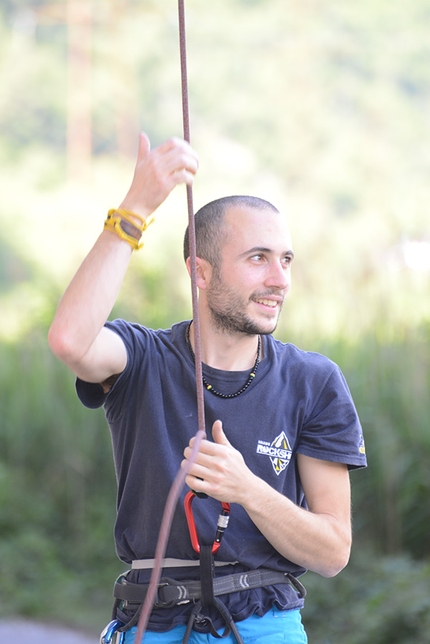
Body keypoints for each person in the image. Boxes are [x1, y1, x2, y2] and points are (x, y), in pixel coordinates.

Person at [48, 132, 367, 644]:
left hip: (265, 623)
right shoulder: (143, 358)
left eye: (286, 260)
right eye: (258, 258)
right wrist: (135, 208)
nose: (279, 278)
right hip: (149, 619)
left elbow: (333, 552)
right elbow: (69, 340)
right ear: (200, 270)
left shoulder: (315, 381)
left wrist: (247, 490)